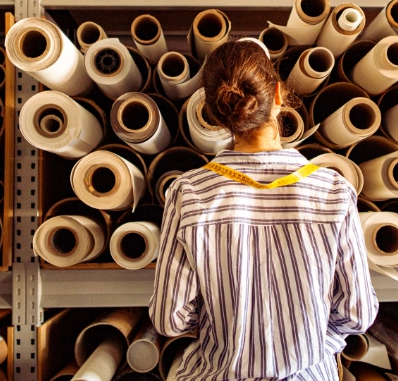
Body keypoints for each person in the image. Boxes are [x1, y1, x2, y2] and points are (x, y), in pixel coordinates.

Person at [149, 39, 378, 381]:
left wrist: (226, 326)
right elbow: (357, 314)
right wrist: (310, 346)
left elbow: (170, 318)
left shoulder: (189, 193)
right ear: (278, 95)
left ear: (213, 113)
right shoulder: (333, 192)